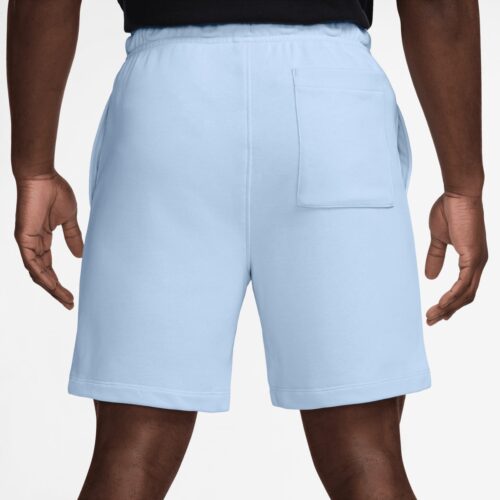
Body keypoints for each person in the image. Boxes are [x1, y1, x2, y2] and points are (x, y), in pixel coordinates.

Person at [7, 0, 488, 498]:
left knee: (131, 451)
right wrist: (463, 186)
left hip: (167, 104)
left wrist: (33, 167)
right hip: (333, 102)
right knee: (366, 453)